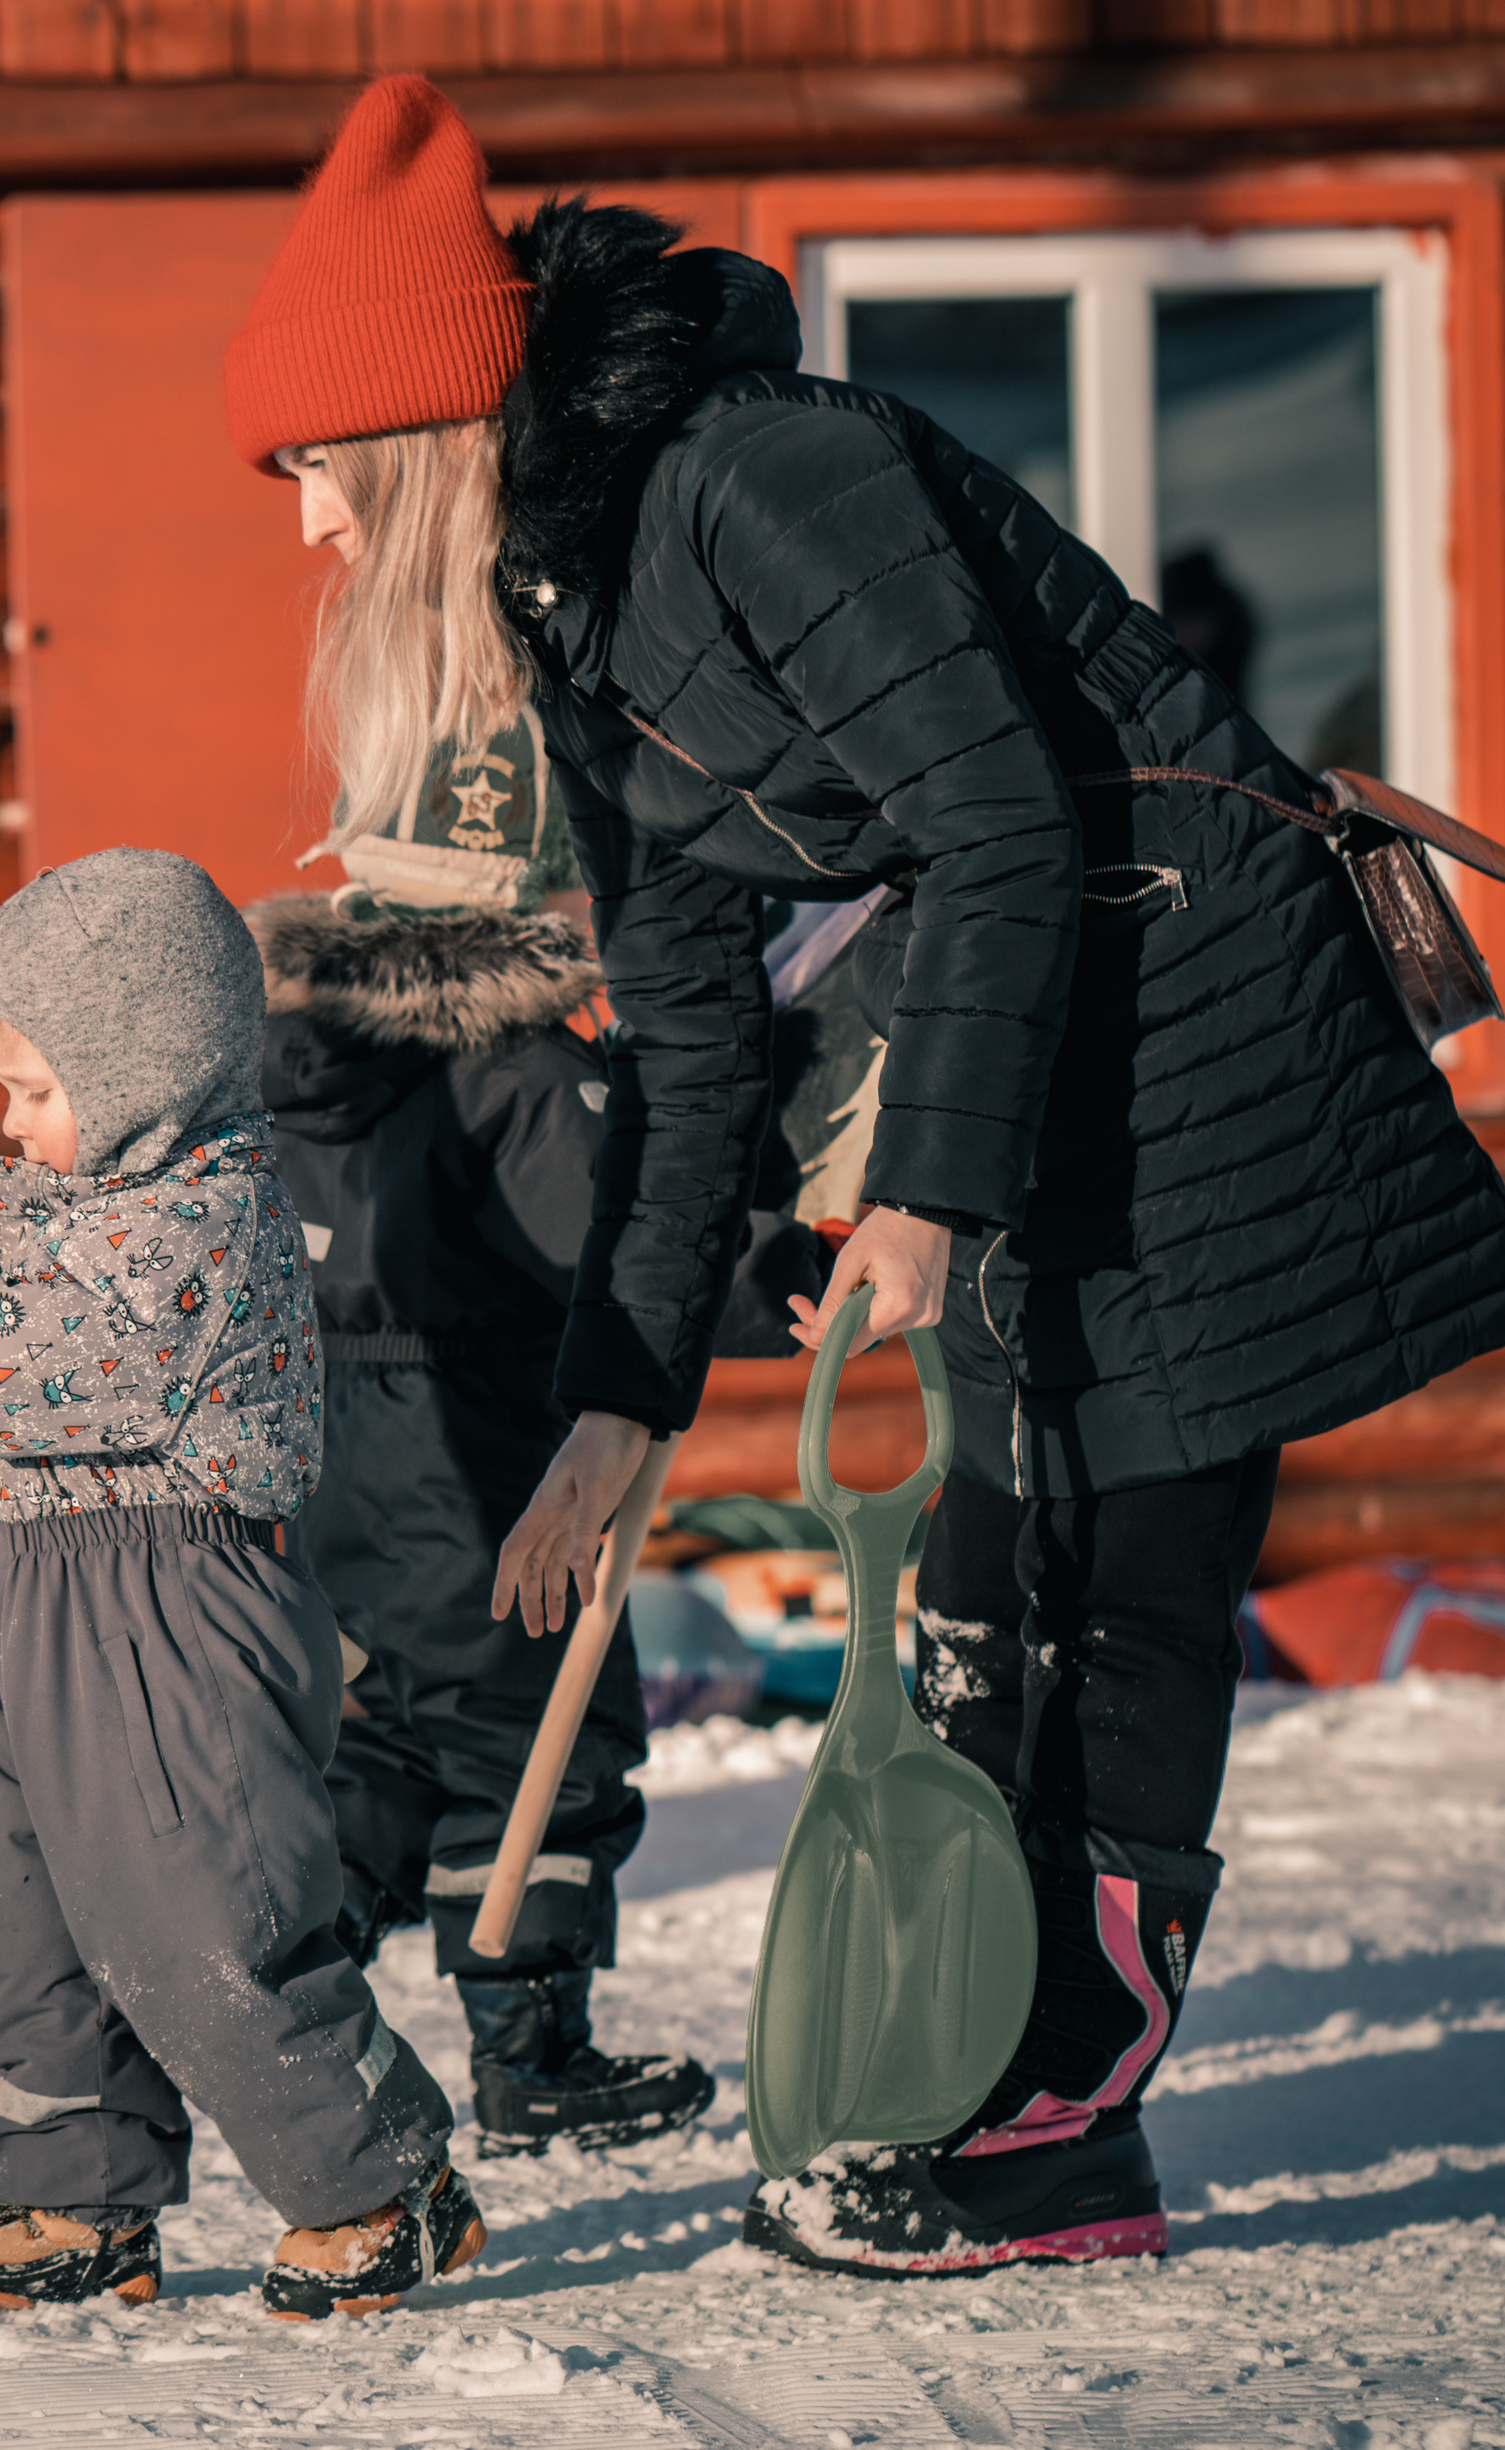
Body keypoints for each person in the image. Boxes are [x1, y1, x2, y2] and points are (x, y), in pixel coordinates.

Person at [225, 76, 1505, 2274]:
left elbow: (1004, 818)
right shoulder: (576, 610)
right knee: (985, 1591)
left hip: (1185, 1003)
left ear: (424, 423)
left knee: (1118, 1558)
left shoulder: (761, 479)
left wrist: (913, 1192)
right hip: (1029, 1036)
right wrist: (616, 1403)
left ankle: (1059, 2134)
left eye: (319, 473)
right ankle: (978, 2070)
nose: (310, 532)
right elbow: (693, 1027)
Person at [0, 845, 485, 2319]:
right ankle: (72, 2188)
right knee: (35, 1921)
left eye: (36, 1090)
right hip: (50, 1606)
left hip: (169, 1616)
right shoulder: (114, 1215)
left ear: (143, 1065)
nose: (12, 1125)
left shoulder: (196, 1233)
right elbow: (9, 1328)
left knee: (197, 1918)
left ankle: (380, 2177)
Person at [256, 718, 721, 2156]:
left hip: (339, 1444)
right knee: (539, 1734)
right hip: (490, 1438)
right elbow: (610, 1248)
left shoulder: (302, 1054)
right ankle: (531, 2045)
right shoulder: (514, 1066)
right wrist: (745, 1261)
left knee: (394, 1719)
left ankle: (292, 1953)